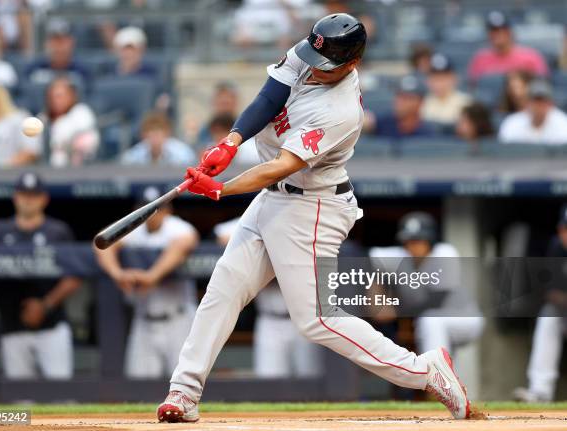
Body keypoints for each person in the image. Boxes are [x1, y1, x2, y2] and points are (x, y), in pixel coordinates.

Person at [157, 14, 471, 423]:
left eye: (327, 64)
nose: (315, 67)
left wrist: (221, 188)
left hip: (313, 205)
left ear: (352, 64)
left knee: (318, 319)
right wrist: (231, 141)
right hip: (275, 199)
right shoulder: (316, 51)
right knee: (224, 289)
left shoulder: (340, 112)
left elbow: (281, 166)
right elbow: (270, 96)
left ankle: (424, 371)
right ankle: (184, 393)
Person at [0, 172, 81, 379]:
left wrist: (45, 305)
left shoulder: (57, 231)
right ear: (15, 197)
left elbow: (76, 275)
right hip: (11, 327)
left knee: (61, 397)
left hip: (51, 327)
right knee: (20, 405)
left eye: (34, 195)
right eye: (24, 194)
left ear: (44, 199)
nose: (28, 200)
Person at [95, 186, 199, 378]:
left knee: (185, 383)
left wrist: (153, 276)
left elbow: (186, 241)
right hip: (143, 321)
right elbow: (102, 243)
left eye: (157, 209)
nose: (152, 214)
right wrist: (117, 273)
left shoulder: (176, 227)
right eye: (147, 208)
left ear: (167, 210)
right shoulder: (135, 230)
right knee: (139, 386)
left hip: (178, 320)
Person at [214, 218, 322, 378]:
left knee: (310, 375)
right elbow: (223, 237)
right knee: (269, 378)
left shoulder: (301, 215)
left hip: (305, 317)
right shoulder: (251, 219)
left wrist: (262, 252)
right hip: (269, 319)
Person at [369, 212, 484, 355]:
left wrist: (394, 310)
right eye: (408, 241)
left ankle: (435, 374)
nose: (412, 246)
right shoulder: (401, 256)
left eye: (418, 240)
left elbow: (434, 302)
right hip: (436, 324)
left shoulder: (444, 253)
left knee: (430, 320)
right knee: (444, 355)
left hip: (464, 319)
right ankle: (441, 374)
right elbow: (369, 258)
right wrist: (377, 297)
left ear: (430, 240)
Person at [513, 205, 567, 402]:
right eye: (565, 229)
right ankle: (541, 391)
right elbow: (550, 292)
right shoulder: (555, 247)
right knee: (548, 316)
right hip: (563, 312)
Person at [467, 11, 548, 82]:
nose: (497, 34)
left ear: (510, 31)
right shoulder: (480, 59)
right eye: (493, 30)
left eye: (501, 30)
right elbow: (474, 87)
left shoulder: (530, 57)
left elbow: (542, 84)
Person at [40, 77, 100, 167]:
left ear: (72, 96)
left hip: (82, 169)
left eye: (60, 96)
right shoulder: (43, 118)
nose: (55, 101)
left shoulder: (82, 112)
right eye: (52, 97)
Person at [498, 80, 567, 145]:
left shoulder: (563, 123)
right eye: (535, 100)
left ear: (550, 103)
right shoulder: (512, 123)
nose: (539, 105)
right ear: (527, 102)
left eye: (543, 101)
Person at [26, 18, 90, 86]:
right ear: (46, 44)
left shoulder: (82, 72)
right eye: (54, 41)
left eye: (62, 41)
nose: (59, 47)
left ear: (72, 43)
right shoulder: (34, 70)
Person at [368, 75, 437, 139]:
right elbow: (367, 121)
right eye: (399, 96)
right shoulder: (384, 123)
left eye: (407, 98)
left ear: (420, 103)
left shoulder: (428, 132)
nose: (400, 102)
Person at [121, 111, 195, 165]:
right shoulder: (135, 154)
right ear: (143, 135)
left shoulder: (182, 153)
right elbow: (123, 166)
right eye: (150, 134)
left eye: (157, 133)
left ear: (167, 134)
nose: (154, 138)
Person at [422, 54, 471, 127]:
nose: (439, 83)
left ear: (454, 79)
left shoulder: (466, 102)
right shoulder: (421, 103)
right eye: (435, 78)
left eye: (444, 78)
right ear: (428, 80)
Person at [196, 82, 240, 151]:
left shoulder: (246, 126)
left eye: (227, 102)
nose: (224, 101)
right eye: (221, 102)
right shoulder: (205, 130)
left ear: (235, 101)